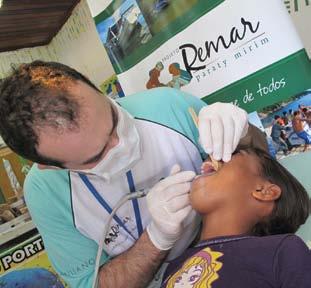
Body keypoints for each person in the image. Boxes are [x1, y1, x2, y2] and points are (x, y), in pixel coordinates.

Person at [0, 61, 251, 288]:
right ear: (51, 166)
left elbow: (258, 171)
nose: (120, 143)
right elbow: (95, 284)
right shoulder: (46, 192)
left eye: (113, 119)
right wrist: (156, 239)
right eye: (97, 156)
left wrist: (245, 135)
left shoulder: (169, 106)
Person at [161, 147, 310, 288]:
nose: (212, 157)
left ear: (264, 191)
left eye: (231, 154)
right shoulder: (175, 265)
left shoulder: (284, 252)